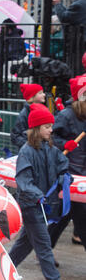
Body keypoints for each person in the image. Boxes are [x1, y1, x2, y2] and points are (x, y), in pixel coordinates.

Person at [8, 103, 75, 280]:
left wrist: (65, 177)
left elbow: (63, 166)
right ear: (37, 129)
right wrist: (38, 195)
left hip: (42, 204)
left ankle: (2, 269)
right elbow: (23, 180)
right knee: (44, 243)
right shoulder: (26, 152)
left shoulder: (51, 149)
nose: (51, 130)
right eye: (47, 127)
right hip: (31, 204)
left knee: (25, 244)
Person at [50, 74, 86, 250]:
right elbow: (49, 138)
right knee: (80, 217)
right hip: (70, 173)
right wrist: (66, 144)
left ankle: (45, 252)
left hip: (82, 173)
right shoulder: (66, 115)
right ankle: (45, 253)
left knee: (65, 216)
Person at [11, 84, 46, 152]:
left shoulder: (42, 109)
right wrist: (31, 145)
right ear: (32, 97)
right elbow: (16, 136)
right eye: (40, 93)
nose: (44, 95)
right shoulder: (24, 114)